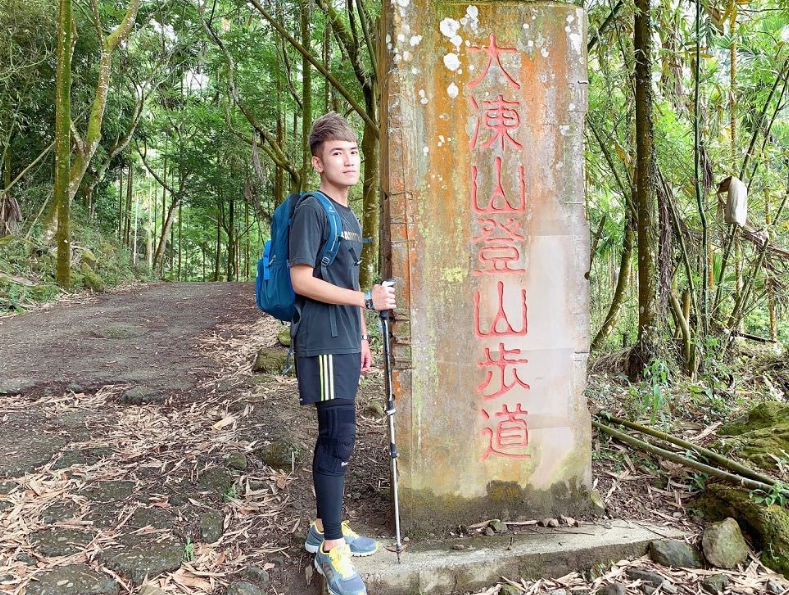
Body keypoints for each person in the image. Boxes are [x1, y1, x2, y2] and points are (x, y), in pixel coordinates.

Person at [288, 111, 396, 595]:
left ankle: (323, 527)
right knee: (338, 437)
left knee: (341, 436)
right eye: (337, 153)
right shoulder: (312, 209)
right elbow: (301, 280)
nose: (349, 160)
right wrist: (367, 300)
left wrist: (364, 334)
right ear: (318, 163)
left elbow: (347, 280)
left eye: (353, 152)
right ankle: (331, 547)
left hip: (347, 339)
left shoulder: (348, 216)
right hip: (323, 341)